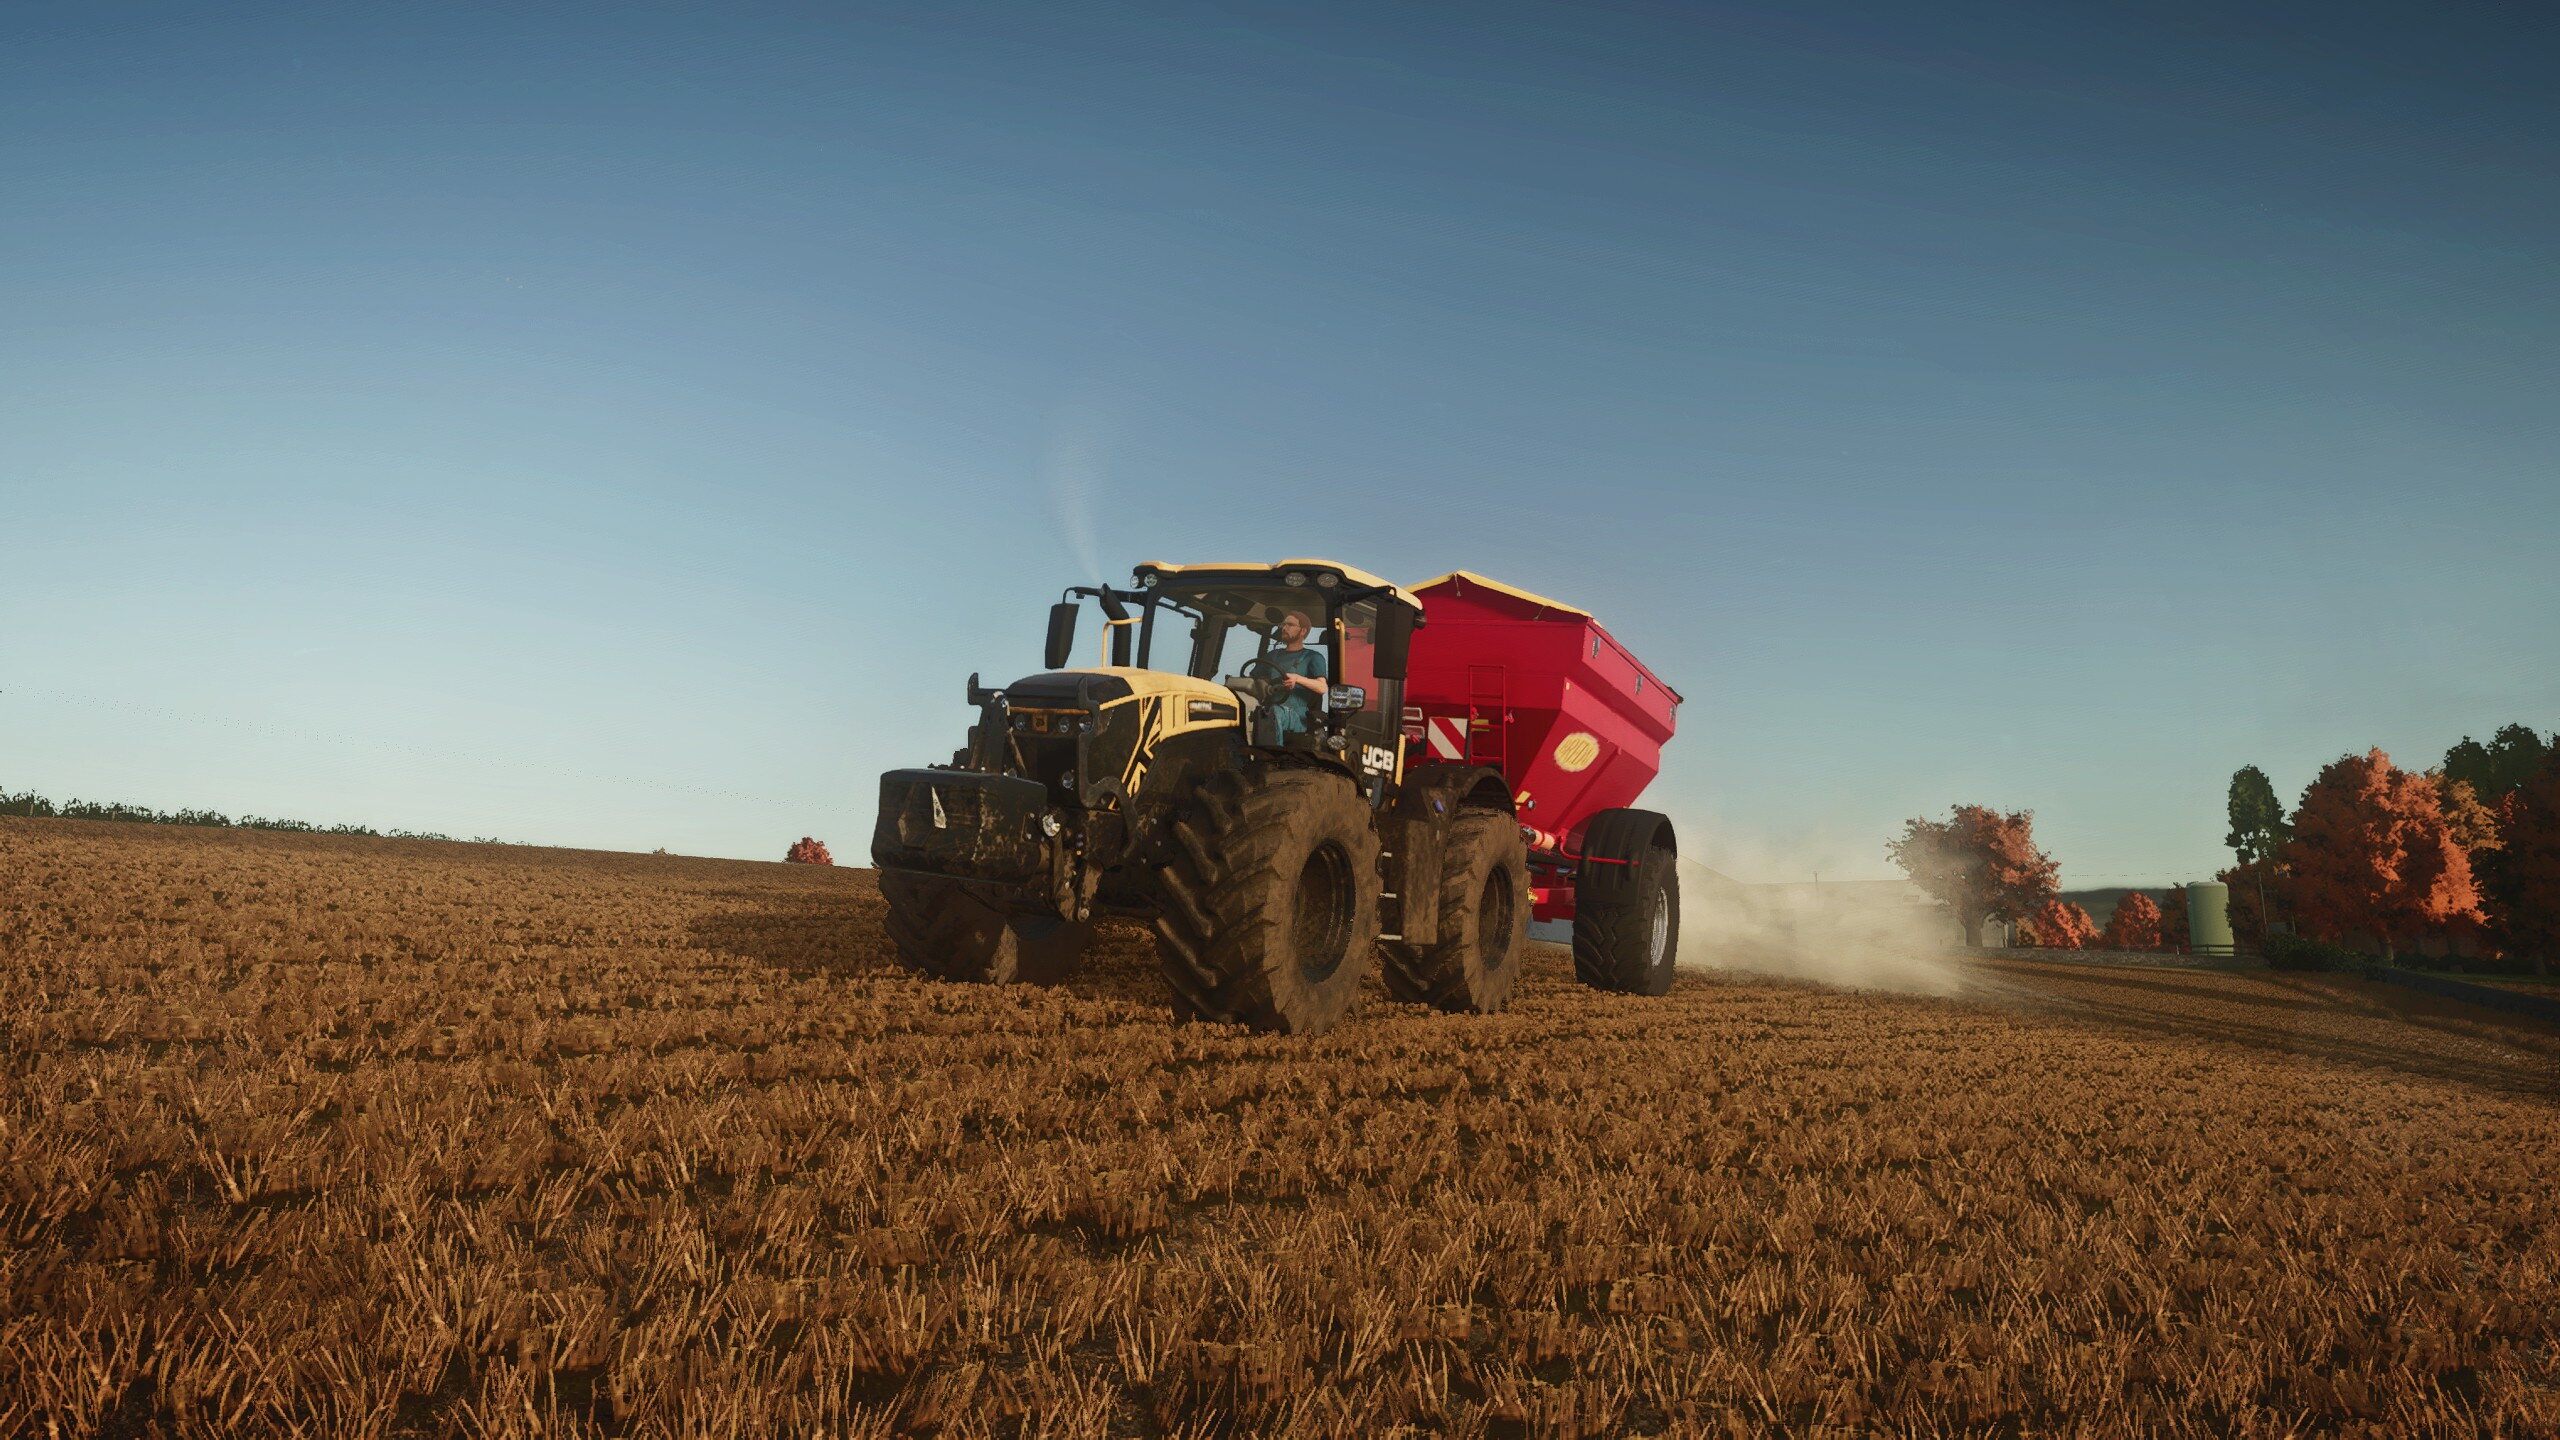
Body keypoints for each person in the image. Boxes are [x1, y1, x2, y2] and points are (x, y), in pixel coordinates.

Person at [1263, 609, 1328, 740]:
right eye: (1283, 624)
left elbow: (1322, 688)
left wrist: (1297, 678)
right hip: (1269, 708)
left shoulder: (1312, 657)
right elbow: (1256, 680)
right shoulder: (1272, 656)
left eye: (1290, 625)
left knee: (1274, 712)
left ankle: (1274, 752)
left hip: (1297, 716)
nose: (1284, 628)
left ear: (1303, 631)